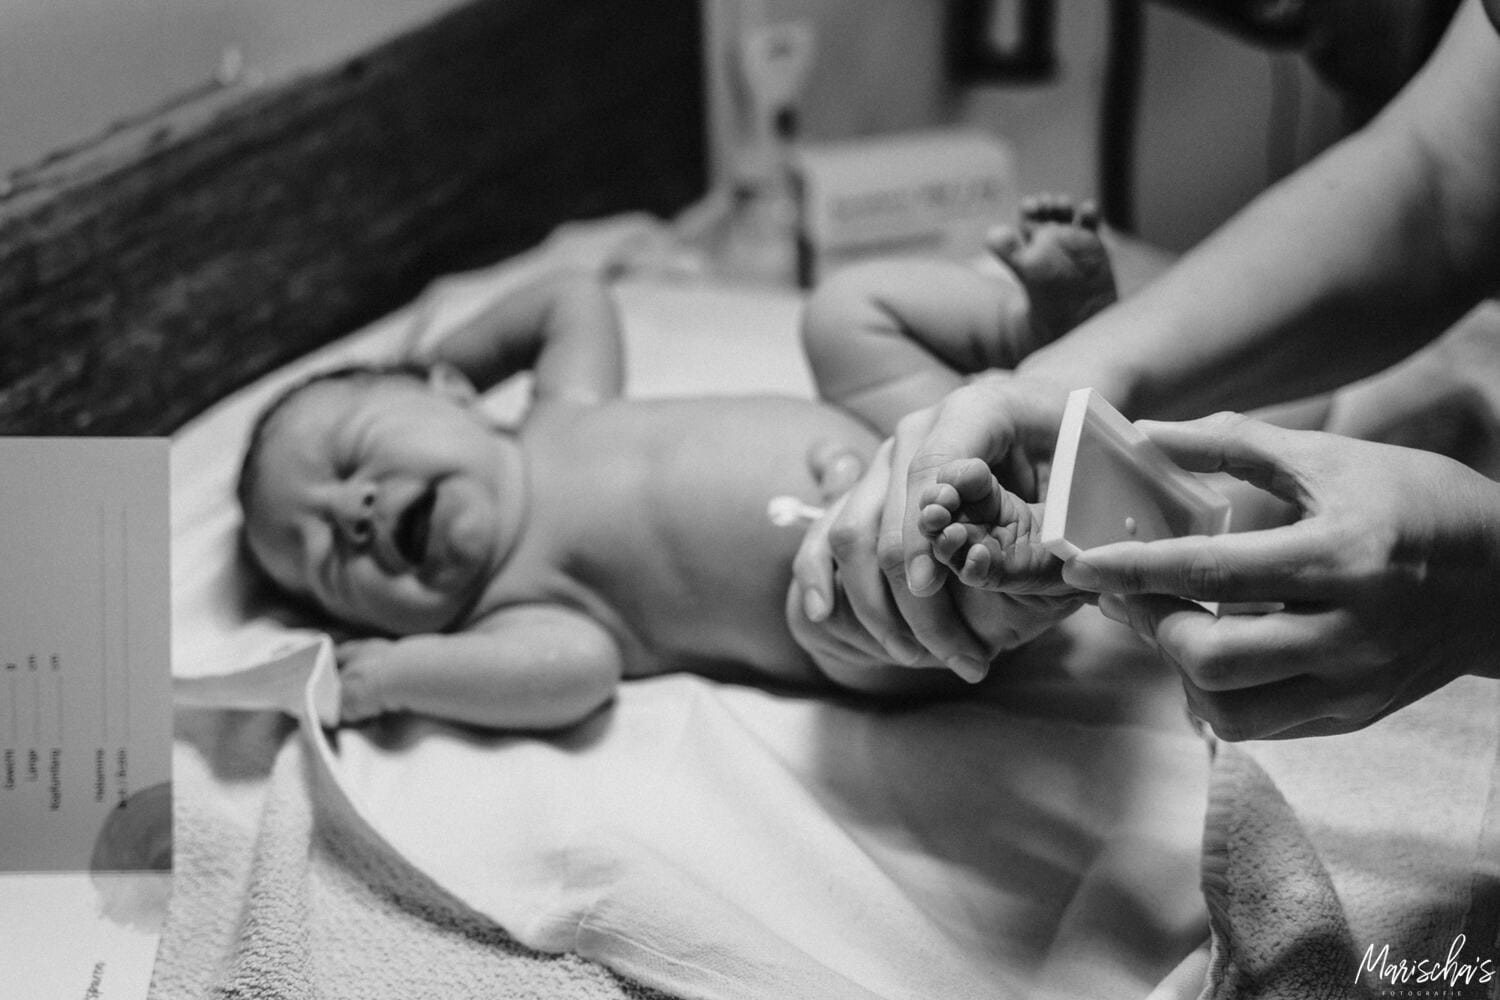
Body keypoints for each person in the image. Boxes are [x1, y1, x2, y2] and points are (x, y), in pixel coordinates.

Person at [791, 0, 1500, 740]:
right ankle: (1046, 390)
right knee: (932, 596)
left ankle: (1033, 365)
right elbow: (1446, 179)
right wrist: (1060, 374)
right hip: (914, 534)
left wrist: (1486, 582)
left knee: (842, 313)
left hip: (902, 521)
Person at [234, 201, 1109, 730]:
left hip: (914, 434)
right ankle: (1016, 571)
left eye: (354, 455)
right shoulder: (518, 604)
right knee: (841, 620)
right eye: (327, 564)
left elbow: (571, 298)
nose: (354, 515)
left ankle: (1038, 345)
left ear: (447, 393)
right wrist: (399, 679)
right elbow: (572, 676)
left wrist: (448, 363)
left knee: (843, 313)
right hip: (874, 607)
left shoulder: (561, 410)